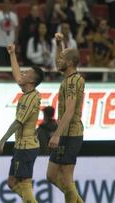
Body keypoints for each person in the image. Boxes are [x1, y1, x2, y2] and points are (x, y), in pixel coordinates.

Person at [0, 43, 44, 203]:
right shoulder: (27, 91)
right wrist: (12, 54)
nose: (23, 72)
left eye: (27, 72)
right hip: (21, 146)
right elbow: (17, 75)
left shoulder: (31, 98)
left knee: (24, 182)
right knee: (12, 182)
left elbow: (18, 123)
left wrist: (2, 140)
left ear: (32, 80)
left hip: (27, 147)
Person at [47, 32, 85, 203]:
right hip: (65, 133)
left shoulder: (72, 82)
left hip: (71, 133)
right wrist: (59, 44)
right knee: (51, 175)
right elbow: (62, 62)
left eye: (61, 58)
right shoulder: (70, 77)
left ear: (69, 63)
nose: (57, 61)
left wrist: (56, 134)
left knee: (67, 177)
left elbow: (69, 112)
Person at [0, 0, 18, 66]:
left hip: (11, 44)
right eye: (5, 3)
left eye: (8, 3)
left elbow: (16, 30)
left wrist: (15, 42)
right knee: (1, 64)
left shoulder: (14, 16)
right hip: (0, 44)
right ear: (2, 4)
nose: (6, 5)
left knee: (11, 64)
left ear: (10, 5)